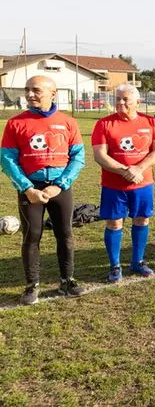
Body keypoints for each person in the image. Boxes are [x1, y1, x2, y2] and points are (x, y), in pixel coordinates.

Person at [1, 76, 86, 305]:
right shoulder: (15, 123)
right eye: (27, 90)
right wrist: (27, 188)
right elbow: (7, 159)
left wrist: (59, 185)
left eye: (36, 90)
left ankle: (67, 280)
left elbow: (78, 157)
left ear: (53, 93)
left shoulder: (68, 122)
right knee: (32, 236)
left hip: (59, 188)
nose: (30, 94)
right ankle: (32, 286)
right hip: (30, 189)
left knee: (65, 235)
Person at [92, 84, 155, 281]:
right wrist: (125, 171)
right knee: (114, 223)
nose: (120, 103)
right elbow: (99, 155)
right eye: (118, 99)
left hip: (143, 183)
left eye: (125, 100)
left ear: (137, 102)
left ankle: (138, 261)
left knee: (141, 219)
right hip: (114, 185)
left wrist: (138, 169)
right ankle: (115, 265)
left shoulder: (150, 122)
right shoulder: (104, 124)